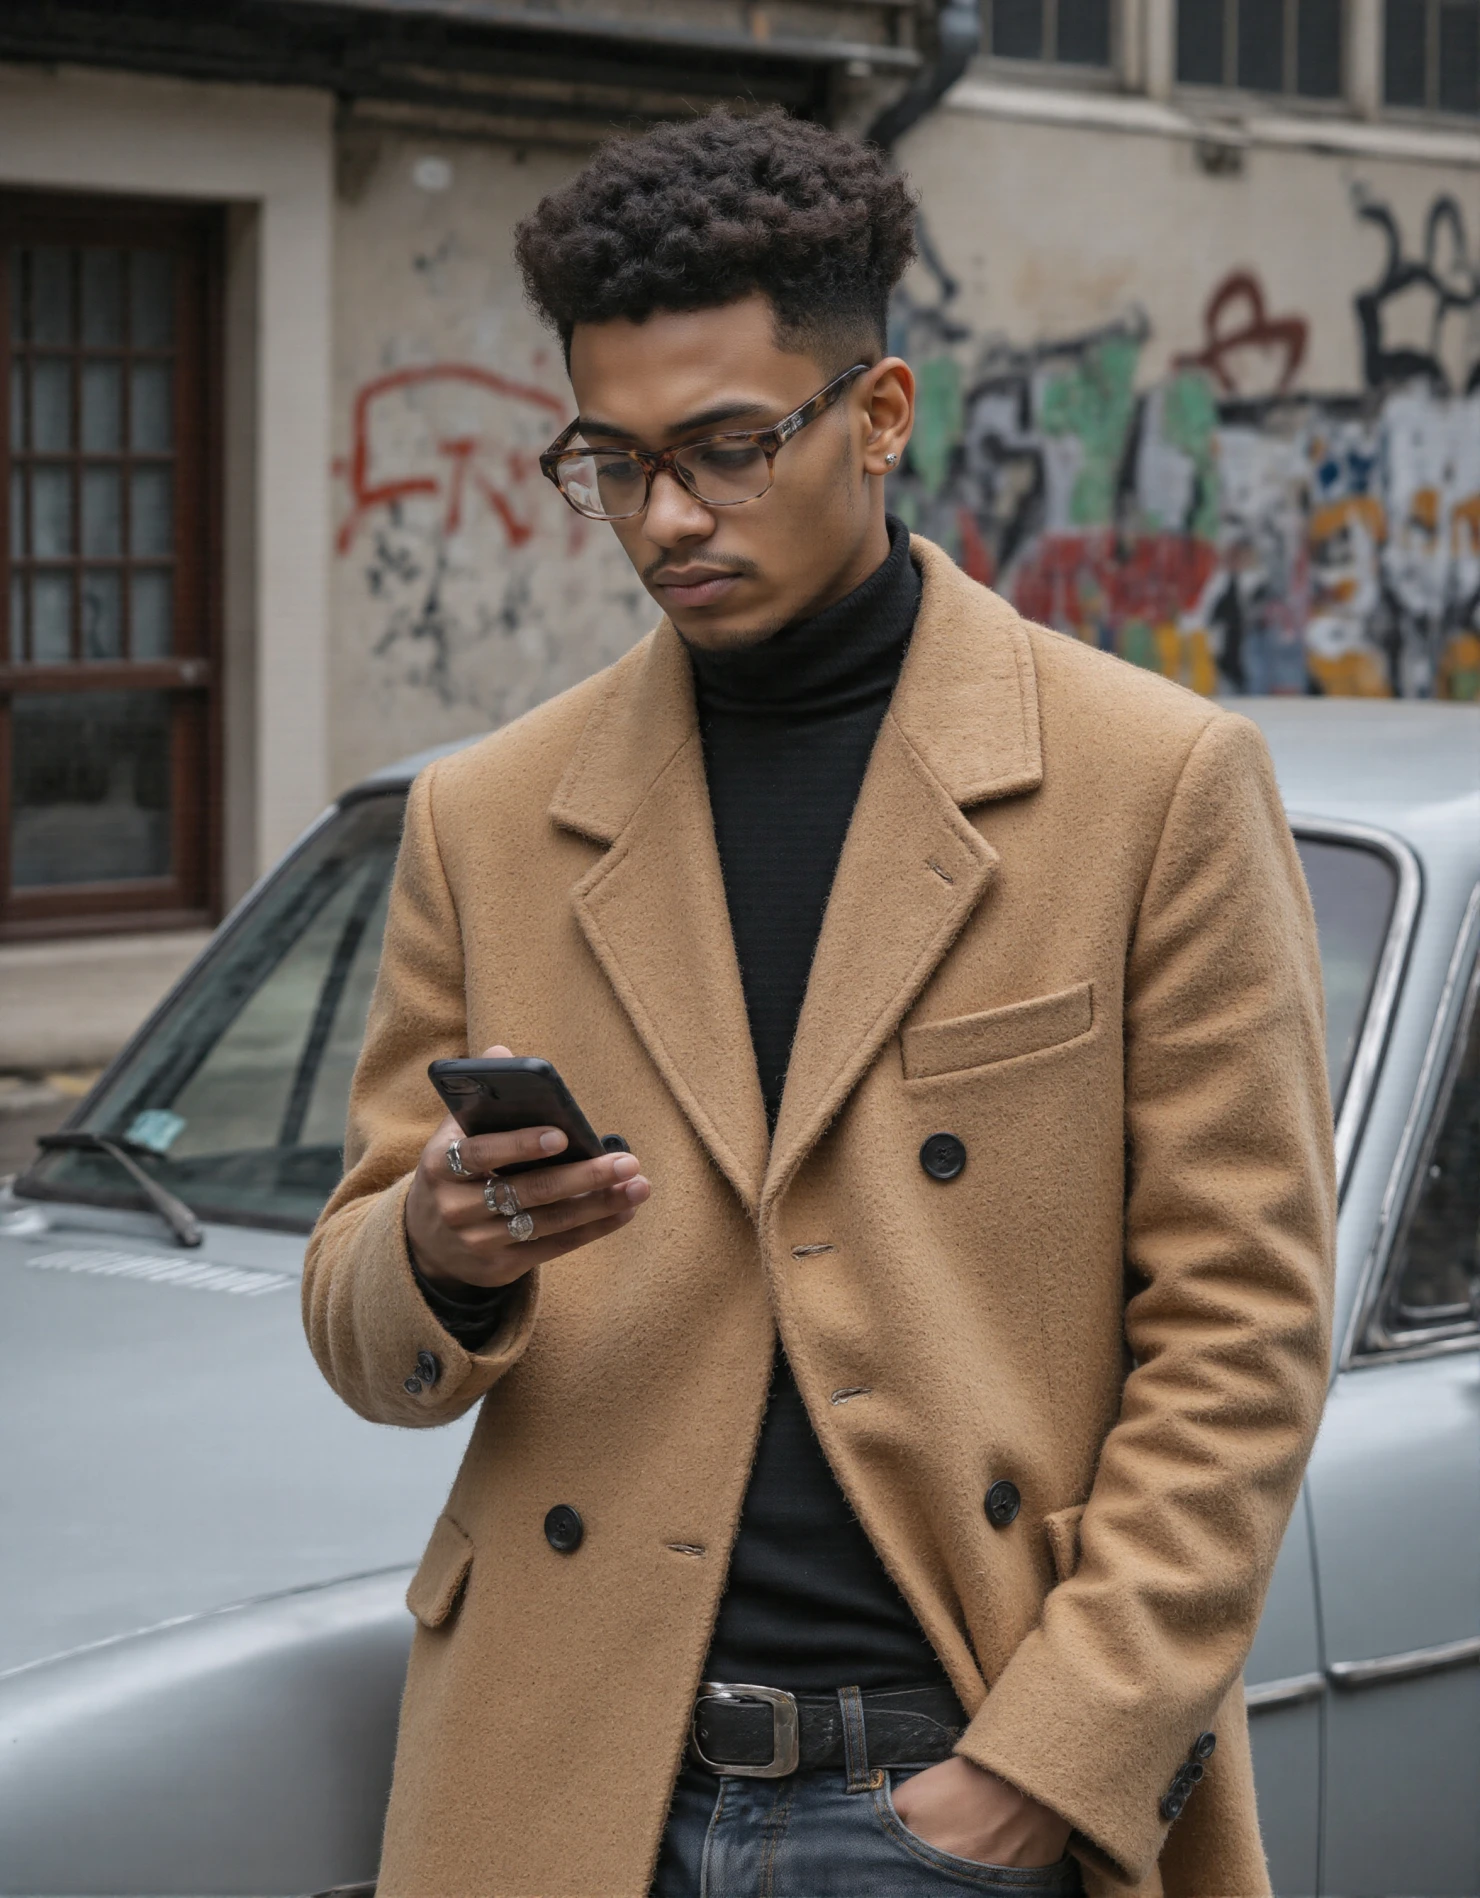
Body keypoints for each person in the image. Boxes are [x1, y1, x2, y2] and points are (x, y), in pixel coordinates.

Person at [303, 109, 1335, 1898]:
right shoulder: (488, 816)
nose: (665, 518)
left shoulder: (1151, 783)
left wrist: (1042, 1764)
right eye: (612, 461)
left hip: (952, 1789)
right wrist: (441, 1250)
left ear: (879, 414)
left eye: (725, 449)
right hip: (562, 1785)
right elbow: (355, 1318)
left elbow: (1242, 1332)